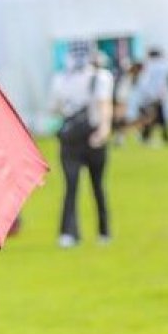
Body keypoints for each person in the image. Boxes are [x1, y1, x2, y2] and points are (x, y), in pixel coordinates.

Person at [51, 51, 114, 249]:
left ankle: (69, 233)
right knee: (97, 186)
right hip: (92, 135)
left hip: (72, 137)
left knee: (72, 187)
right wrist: (104, 129)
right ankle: (103, 232)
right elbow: (105, 105)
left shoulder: (60, 79)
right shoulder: (101, 77)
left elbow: (55, 108)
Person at [137, 47, 168, 146]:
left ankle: (146, 137)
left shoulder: (149, 66)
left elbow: (144, 82)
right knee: (159, 117)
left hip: (150, 96)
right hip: (159, 95)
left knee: (151, 117)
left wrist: (146, 95)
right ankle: (164, 137)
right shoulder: (163, 66)